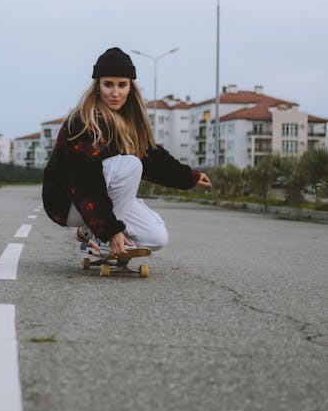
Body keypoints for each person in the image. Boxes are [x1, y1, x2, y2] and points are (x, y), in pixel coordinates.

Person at [42, 47, 212, 259]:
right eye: (108, 85)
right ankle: (99, 237)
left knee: (156, 238)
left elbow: (153, 158)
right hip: (69, 201)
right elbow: (86, 182)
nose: (116, 93)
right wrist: (110, 231)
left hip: (102, 199)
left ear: (131, 87)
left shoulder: (128, 123)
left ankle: (88, 231)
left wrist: (190, 176)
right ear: (97, 86)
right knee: (131, 164)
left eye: (122, 85)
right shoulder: (82, 123)